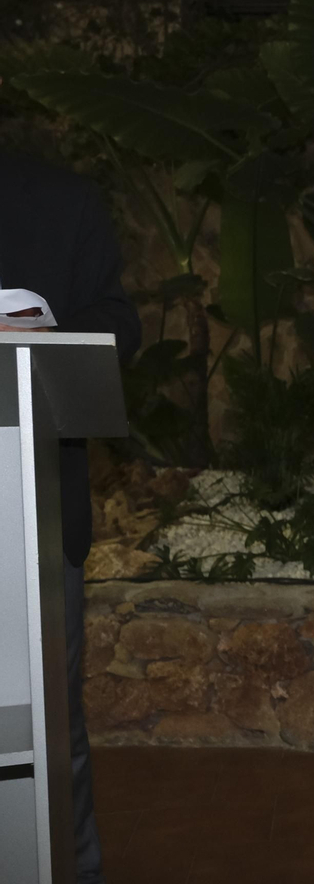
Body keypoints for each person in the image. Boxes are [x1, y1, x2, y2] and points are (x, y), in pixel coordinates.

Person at [0, 151, 142, 884]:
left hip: (33, 518)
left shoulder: (59, 200)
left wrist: (40, 344)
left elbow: (118, 319)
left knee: (49, 730)